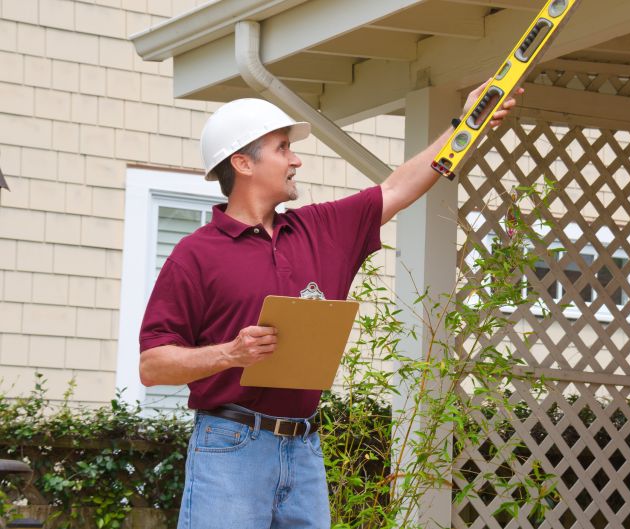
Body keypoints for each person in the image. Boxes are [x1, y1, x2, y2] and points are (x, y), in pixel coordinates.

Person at [138, 80, 521, 529]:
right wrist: (231, 353)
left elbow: (399, 188)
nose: (296, 159)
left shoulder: (321, 229)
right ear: (243, 162)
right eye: (283, 148)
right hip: (229, 446)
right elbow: (153, 365)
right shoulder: (195, 254)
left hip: (303, 447)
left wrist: (466, 125)